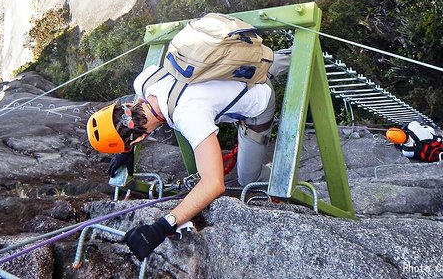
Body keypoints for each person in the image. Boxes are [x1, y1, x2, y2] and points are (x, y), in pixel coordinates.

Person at [86, 50, 290, 261]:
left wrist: (163, 225)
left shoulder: (188, 115)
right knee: (269, 64)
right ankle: (293, 56)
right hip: (245, 67)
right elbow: (139, 105)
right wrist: (125, 151)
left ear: (137, 140)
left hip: (258, 102)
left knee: (249, 179)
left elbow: (213, 183)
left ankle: (275, 173)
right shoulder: (144, 81)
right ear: (125, 106)